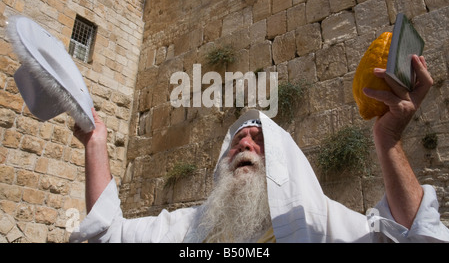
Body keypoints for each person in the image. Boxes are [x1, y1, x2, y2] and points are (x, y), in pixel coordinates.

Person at [69, 55, 449, 243]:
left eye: (258, 141)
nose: (245, 144)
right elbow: (109, 234)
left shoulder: (319, 223)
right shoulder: (190, 230)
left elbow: (416, 237)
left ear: (282, 163)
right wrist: (97, 143)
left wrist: (389, 140)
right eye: (237, 141)